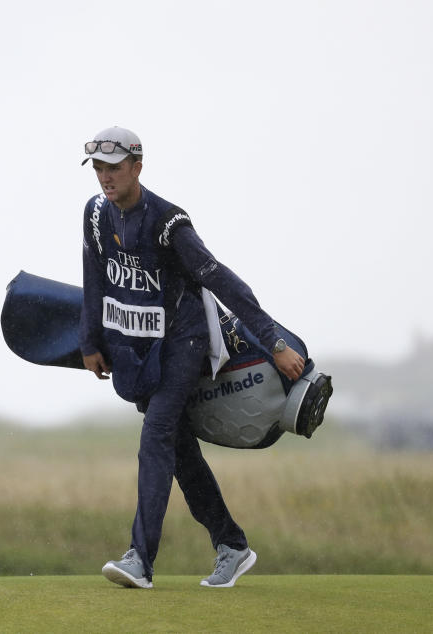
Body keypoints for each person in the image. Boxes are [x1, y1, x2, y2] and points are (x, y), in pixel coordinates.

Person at [78, 126, 306, 589]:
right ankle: (232, 544)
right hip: (136, 349)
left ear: (137, 167)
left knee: (156, 435)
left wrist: (274, 343)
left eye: (114, 167)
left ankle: (139, 560)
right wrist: (89, 342)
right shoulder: (97, 214)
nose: (105, 177)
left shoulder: (169, 224)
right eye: (99, 168)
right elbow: (93, 279)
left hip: (184, 343)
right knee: (180, 452)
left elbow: (222, 281)